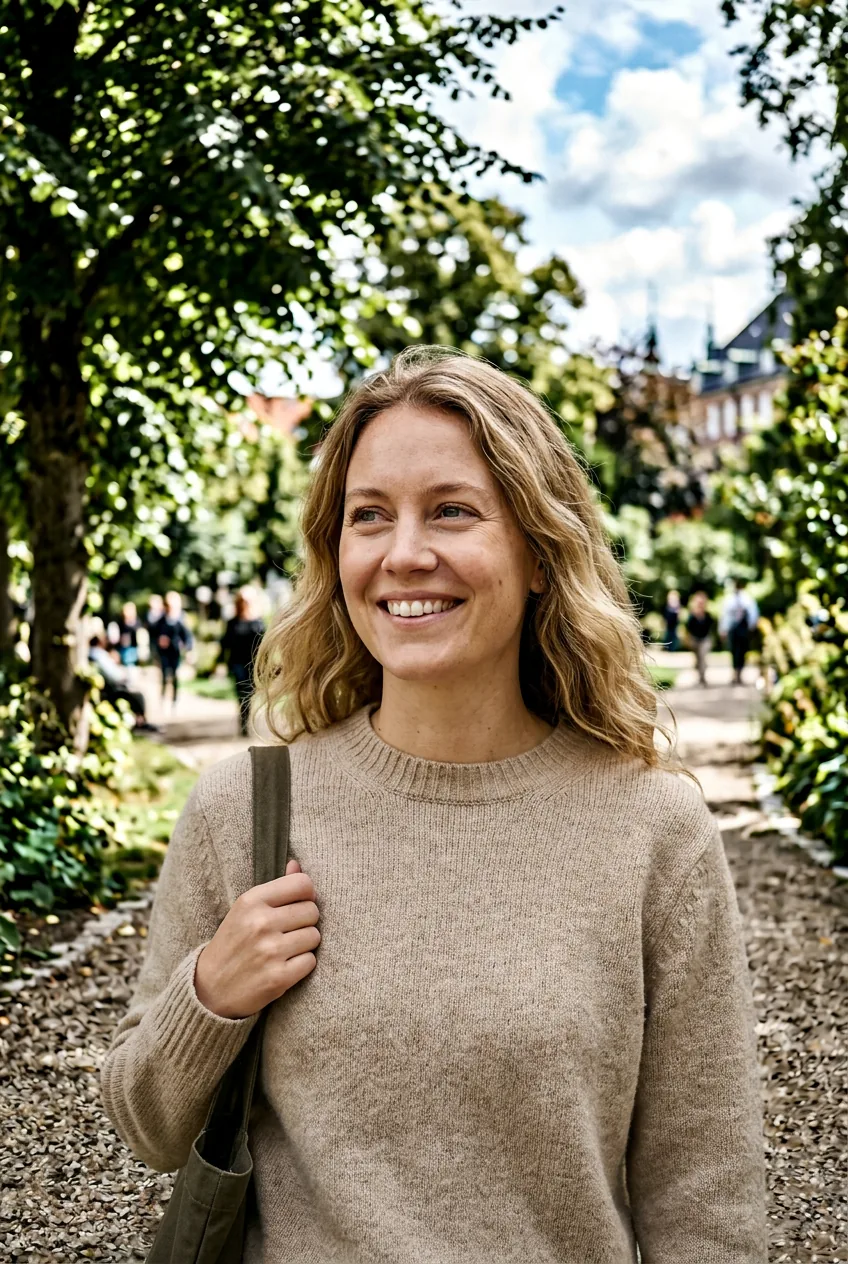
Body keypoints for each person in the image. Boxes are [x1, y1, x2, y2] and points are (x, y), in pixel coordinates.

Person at [101, 348, 768, 1263]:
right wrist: (212, 993)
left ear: (540, 553)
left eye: (452, 511)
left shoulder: (654, 829)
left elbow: (706, 1193)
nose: (404, 554)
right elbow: (146, 1128)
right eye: (369, 517)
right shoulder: (248, 808)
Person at [88, 633, 158, 732]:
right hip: (111, 689)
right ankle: (140, 722)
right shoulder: (99, 655)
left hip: (108, 687)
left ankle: (139, 721)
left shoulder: (94, 653)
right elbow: (115, 676)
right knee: (138, 694)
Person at [219, 587, 265, 736]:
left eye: (249, 600)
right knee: (241, 690)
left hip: (252, 662)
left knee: (250, 692)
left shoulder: (258, 622)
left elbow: (264, 644)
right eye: (244, 600)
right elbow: (225, 643)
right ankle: (244, 721)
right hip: (237, 662)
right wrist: (220, 662)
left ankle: (247, 718)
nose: (246, 603)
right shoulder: (233, 622)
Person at [148, 590, 193, 711]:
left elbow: (187, 636)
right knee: (164, 675)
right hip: (163, 652)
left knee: (175, 676)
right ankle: (163, 699)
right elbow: (153, 633)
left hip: (175, 651)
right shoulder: (161, 620)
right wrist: (158, 642)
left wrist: (188, 648)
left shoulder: (181, 619)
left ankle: (174, 701)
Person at [719, 579, 760, 686]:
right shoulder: (729, 599)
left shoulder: (747, 598)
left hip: (743, 628)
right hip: (733, 628)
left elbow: (753, 613)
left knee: (742, 651)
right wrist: (723, 629)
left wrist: (751, 627)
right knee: (734, 650)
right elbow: (725, 615)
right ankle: (735, 673)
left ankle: (740, 672)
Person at [685, 590, 715, 687]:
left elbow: (711, 627)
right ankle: (700, 676)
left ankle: (703, 677)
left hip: (705, 639)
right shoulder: (692, 616)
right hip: (695, 640)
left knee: (702, 657)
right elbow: (688, 628)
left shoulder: (707, 615)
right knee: (697, 659)